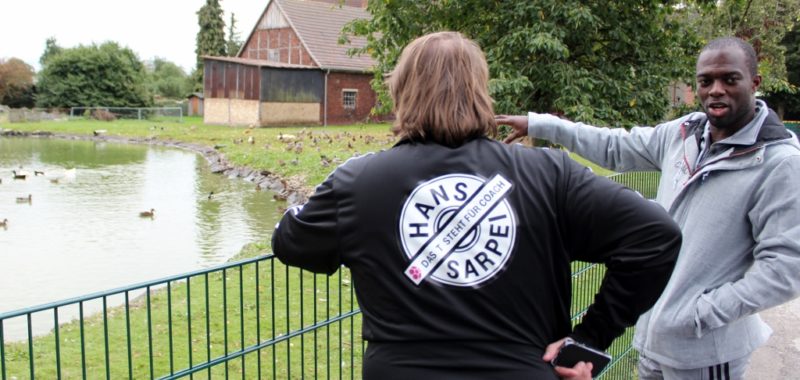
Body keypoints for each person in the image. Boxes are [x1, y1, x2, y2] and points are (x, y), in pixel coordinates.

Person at [272, 31, 681, 380]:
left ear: (401, 92)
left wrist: (343, 184)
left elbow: (290, 241)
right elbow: (656, 236)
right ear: (480, 91)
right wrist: (589, 339)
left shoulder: (359, 181)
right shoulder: (549, 173)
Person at [497, 36, 800, 379]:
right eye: (705, 81)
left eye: (729, 79)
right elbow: (615, 147)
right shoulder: (683, 132)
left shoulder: (778, 163)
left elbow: (785, 270)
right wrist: (542, 125)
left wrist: (697, 315)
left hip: (706, 354)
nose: (716, 90)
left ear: (754, 83)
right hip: (653, 342)